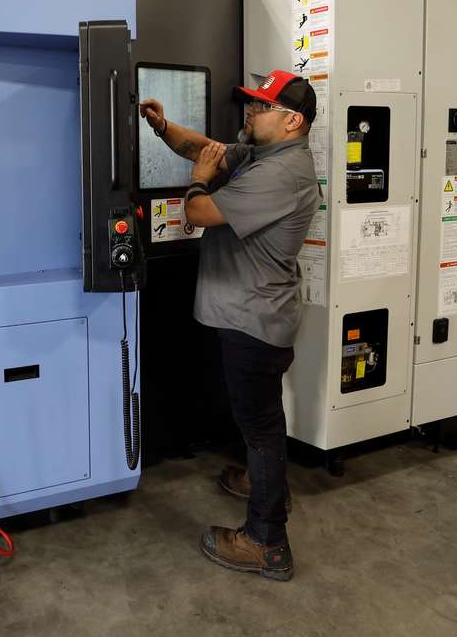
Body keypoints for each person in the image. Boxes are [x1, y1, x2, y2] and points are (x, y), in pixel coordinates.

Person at [139, 69, 320, 582]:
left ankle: (267, 542)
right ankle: (266, 485)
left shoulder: (281, 174)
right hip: (252, 313)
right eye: (251, 104)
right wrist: (162, 127)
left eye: (261, 107)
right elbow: (206, 148)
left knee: (260, 429)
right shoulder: (265, 156)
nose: (250, 112)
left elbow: (199, 211)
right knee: (260, 422)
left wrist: (198, 177)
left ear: (292, 121)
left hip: (254, 320)